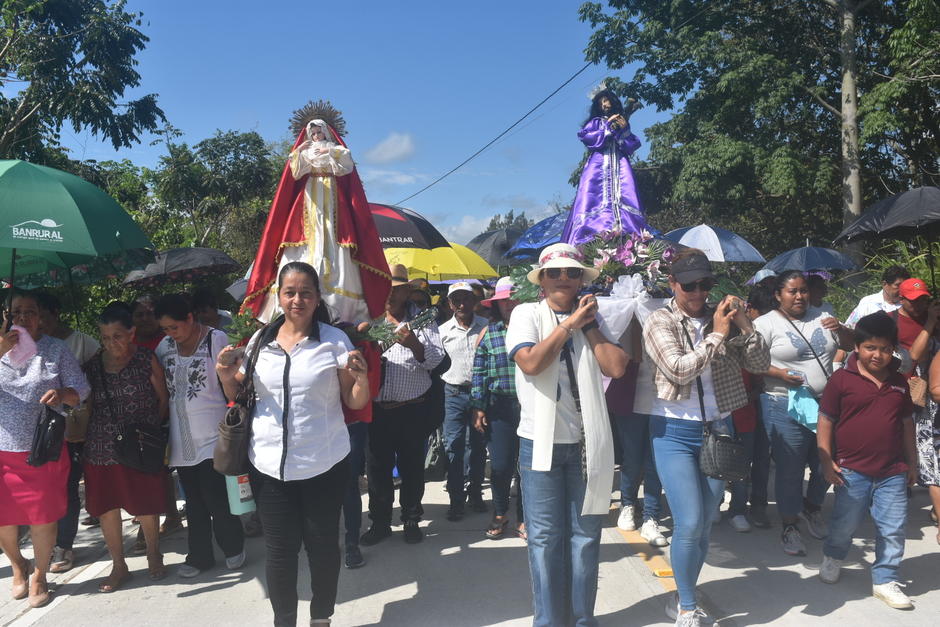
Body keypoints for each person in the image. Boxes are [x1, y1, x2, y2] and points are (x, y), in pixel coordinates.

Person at [218, 261, 370, 627]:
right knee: (280, 553)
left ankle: (321, 618)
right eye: (290, 292)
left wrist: (362, 378)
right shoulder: (258, 342)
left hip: (324, 465)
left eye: (305, 292)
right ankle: (283, 621)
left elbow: (354, 401)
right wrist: (225, 373)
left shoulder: (334, 341)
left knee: (322, 550)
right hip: (270, 468)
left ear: (317, 298)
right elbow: (238, 393)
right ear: (279, 297)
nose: (297, 299)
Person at [641, 250, 769, 625]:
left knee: (708, 516)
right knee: (690, 520)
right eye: (690, 285)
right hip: (673, 431)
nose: (698, 292)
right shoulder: (659, 320)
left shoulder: (725, 318)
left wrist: (746, 326)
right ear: (672, 284)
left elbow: (759, 365)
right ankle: (685, 605)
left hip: (718, 427)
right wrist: (717, 334)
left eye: (706, 284)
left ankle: (686, 591)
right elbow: (679, 370)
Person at [507, 243, 627, 627]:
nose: (563, 278)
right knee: (545, 540)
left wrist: (588, 325)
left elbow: (617, 368)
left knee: (586, 537)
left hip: (587, 445)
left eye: (572, 273)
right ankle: (548, 620)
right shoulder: (527, 313)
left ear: (581, 280)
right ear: (541, 280)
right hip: (539, 444)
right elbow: (530, 362)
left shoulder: (592, 319)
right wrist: (567, 326)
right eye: (555, 272)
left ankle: (582, 619)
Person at [244, 119, 389, 326]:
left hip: (333, 200)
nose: (316, 135)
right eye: (312, 132)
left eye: (319, 132)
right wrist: (300, 151)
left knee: (332, 237)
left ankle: (341, 306)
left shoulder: (334, 148)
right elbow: (296, 171)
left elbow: (346, 165)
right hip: (308, 202)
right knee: (305, 241)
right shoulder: (305, 150)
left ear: (326, 133)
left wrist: (330, 153)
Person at [817, 312, 918, 610]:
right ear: (857, 347)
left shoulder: (900, 383)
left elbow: (907, 425)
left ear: (893, 350)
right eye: (871, 347)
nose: (878, 355)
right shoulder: (841, 379)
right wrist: (826, 461)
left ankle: (886, 578)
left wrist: (912, 463)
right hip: (851, 469)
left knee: (893, 526)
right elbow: (826, 420)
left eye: (886, 349)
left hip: (893, 470)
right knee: (844, 523)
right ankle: (834, 556)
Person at [754, 271, 854, 555]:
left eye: (803, 291)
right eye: (792, 291)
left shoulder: (824, 316)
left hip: (826, 403)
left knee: (827, 460)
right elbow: (751, 362)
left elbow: (852, 345)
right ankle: (790, 525)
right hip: (783, 403)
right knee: (790, 467)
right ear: (778, 295)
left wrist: (842, 330)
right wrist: (779, 373)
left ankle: (812, 508)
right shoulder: (765, 324)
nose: (799, 296)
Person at [0, 291, 90, 608]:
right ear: (6, 316)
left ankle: (39, 574)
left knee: (42, 518)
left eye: (30, 311)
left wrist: (62, 393)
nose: (23, 317)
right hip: (2, 450)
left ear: (41, 316)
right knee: (3, 518)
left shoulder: (55, 349)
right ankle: (17, 565)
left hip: (43, 448)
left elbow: (82, 389)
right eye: (17, 311)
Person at [154, 293, 245, 578]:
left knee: (216, 496)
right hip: (182, 438)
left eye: (175, 327)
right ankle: (200, 556)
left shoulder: (214, 339)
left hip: (213, 433)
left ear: (190, 319)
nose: (171, 334)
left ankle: (233, 546)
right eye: (165, 329)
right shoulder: (165, 346)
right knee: (192, 501)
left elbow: (235, 375)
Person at [83, 302, 170, 592]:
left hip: (140, 445)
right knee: (107, 507)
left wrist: (149, 432)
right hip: (102, 446)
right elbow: (89, 406)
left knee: (144, 501)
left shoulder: (147, 359)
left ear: (131, 332)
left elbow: (163, 399)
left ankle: (153, 553)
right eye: (106, 338)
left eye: (117, 336)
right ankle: (119, 566)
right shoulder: (93, 366)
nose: (112, 343)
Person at [360, 265, 444, 546]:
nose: (390, 294)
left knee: (411, 470)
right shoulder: (368, 321)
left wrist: (414, 345)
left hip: (412, 409)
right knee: (377, 471)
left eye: (396, 289)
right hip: (378, 411)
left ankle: (410, 518)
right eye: (386, 288)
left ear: (407, 291)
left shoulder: (423, 320)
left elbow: (436, 360)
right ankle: (380, 522)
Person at [34, 292, 100, 574]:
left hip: (74, 427)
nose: (38, 324)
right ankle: (42, 544)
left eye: (42, 317)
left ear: (53, 314)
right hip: (35, 434)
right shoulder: (18, 347)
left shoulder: (80, 342)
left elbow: (95, 379)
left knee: (69, 486)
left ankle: (64, 544)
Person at [562, 88, 652, 246]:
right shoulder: (596, 122)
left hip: (620, 164)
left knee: (625, 198)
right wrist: (607, 129)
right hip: (598, 166)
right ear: (598, 105)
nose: (606, 104)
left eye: (608, 100)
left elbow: (631, 146)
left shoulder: (620, 120)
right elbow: (588, 138)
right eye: (602, 101)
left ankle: (631, 238)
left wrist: (624, 130)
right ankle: (587, 238)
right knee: (592, 199)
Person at [471, 277, 525, 539]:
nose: (510, 303)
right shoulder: (489, 333)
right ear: (497, 304)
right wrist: (478, 408)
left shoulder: (534, 329)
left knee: (526, 466)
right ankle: (501, 512)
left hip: (530, 406)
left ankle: (525, 518)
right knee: (502, 466)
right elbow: (479, 373)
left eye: (515, 297)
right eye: (505, 299)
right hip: (500, 407)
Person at [892, 278, 940, 546]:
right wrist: (931, 324)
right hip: (923, 398)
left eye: (924, 299)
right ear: (902, 299)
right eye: (915, 299)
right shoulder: (894, 320)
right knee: (931, 461)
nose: (920, 304)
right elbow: (915, 355)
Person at [726, 285, 778, 530]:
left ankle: (738, 509)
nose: (734, 315)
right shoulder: (716, 338)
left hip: (745, 411)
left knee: (742, 464)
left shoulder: (753, 339)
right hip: (720, 413)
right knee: (716, 460)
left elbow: (759, 373)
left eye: (737, 311)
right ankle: (714, 505)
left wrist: (752, 394)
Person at [613, 320, 667, 547]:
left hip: (662, 402)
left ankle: (651, 516)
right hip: (630, 400)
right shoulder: (623, 319)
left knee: (655, 462)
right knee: (632, 459)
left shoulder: (665, 320)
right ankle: (628, 504)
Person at [439, 282, 489, 520]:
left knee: (478, 448)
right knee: (454, 447)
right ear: (449, 304)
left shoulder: (487, 327)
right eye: (456, 300)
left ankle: (476, 494)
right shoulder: (442, 332)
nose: (461, 304)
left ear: (474, 301)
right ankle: (456, 500)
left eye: (466, 299)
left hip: (480, 395)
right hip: (453, 394)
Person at [845, 265, 910, 328]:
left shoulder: (910, 304)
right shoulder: (868, 302)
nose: (902, 289)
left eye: (905, 285)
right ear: (884, 284)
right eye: (897, 285)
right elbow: (850, 327)